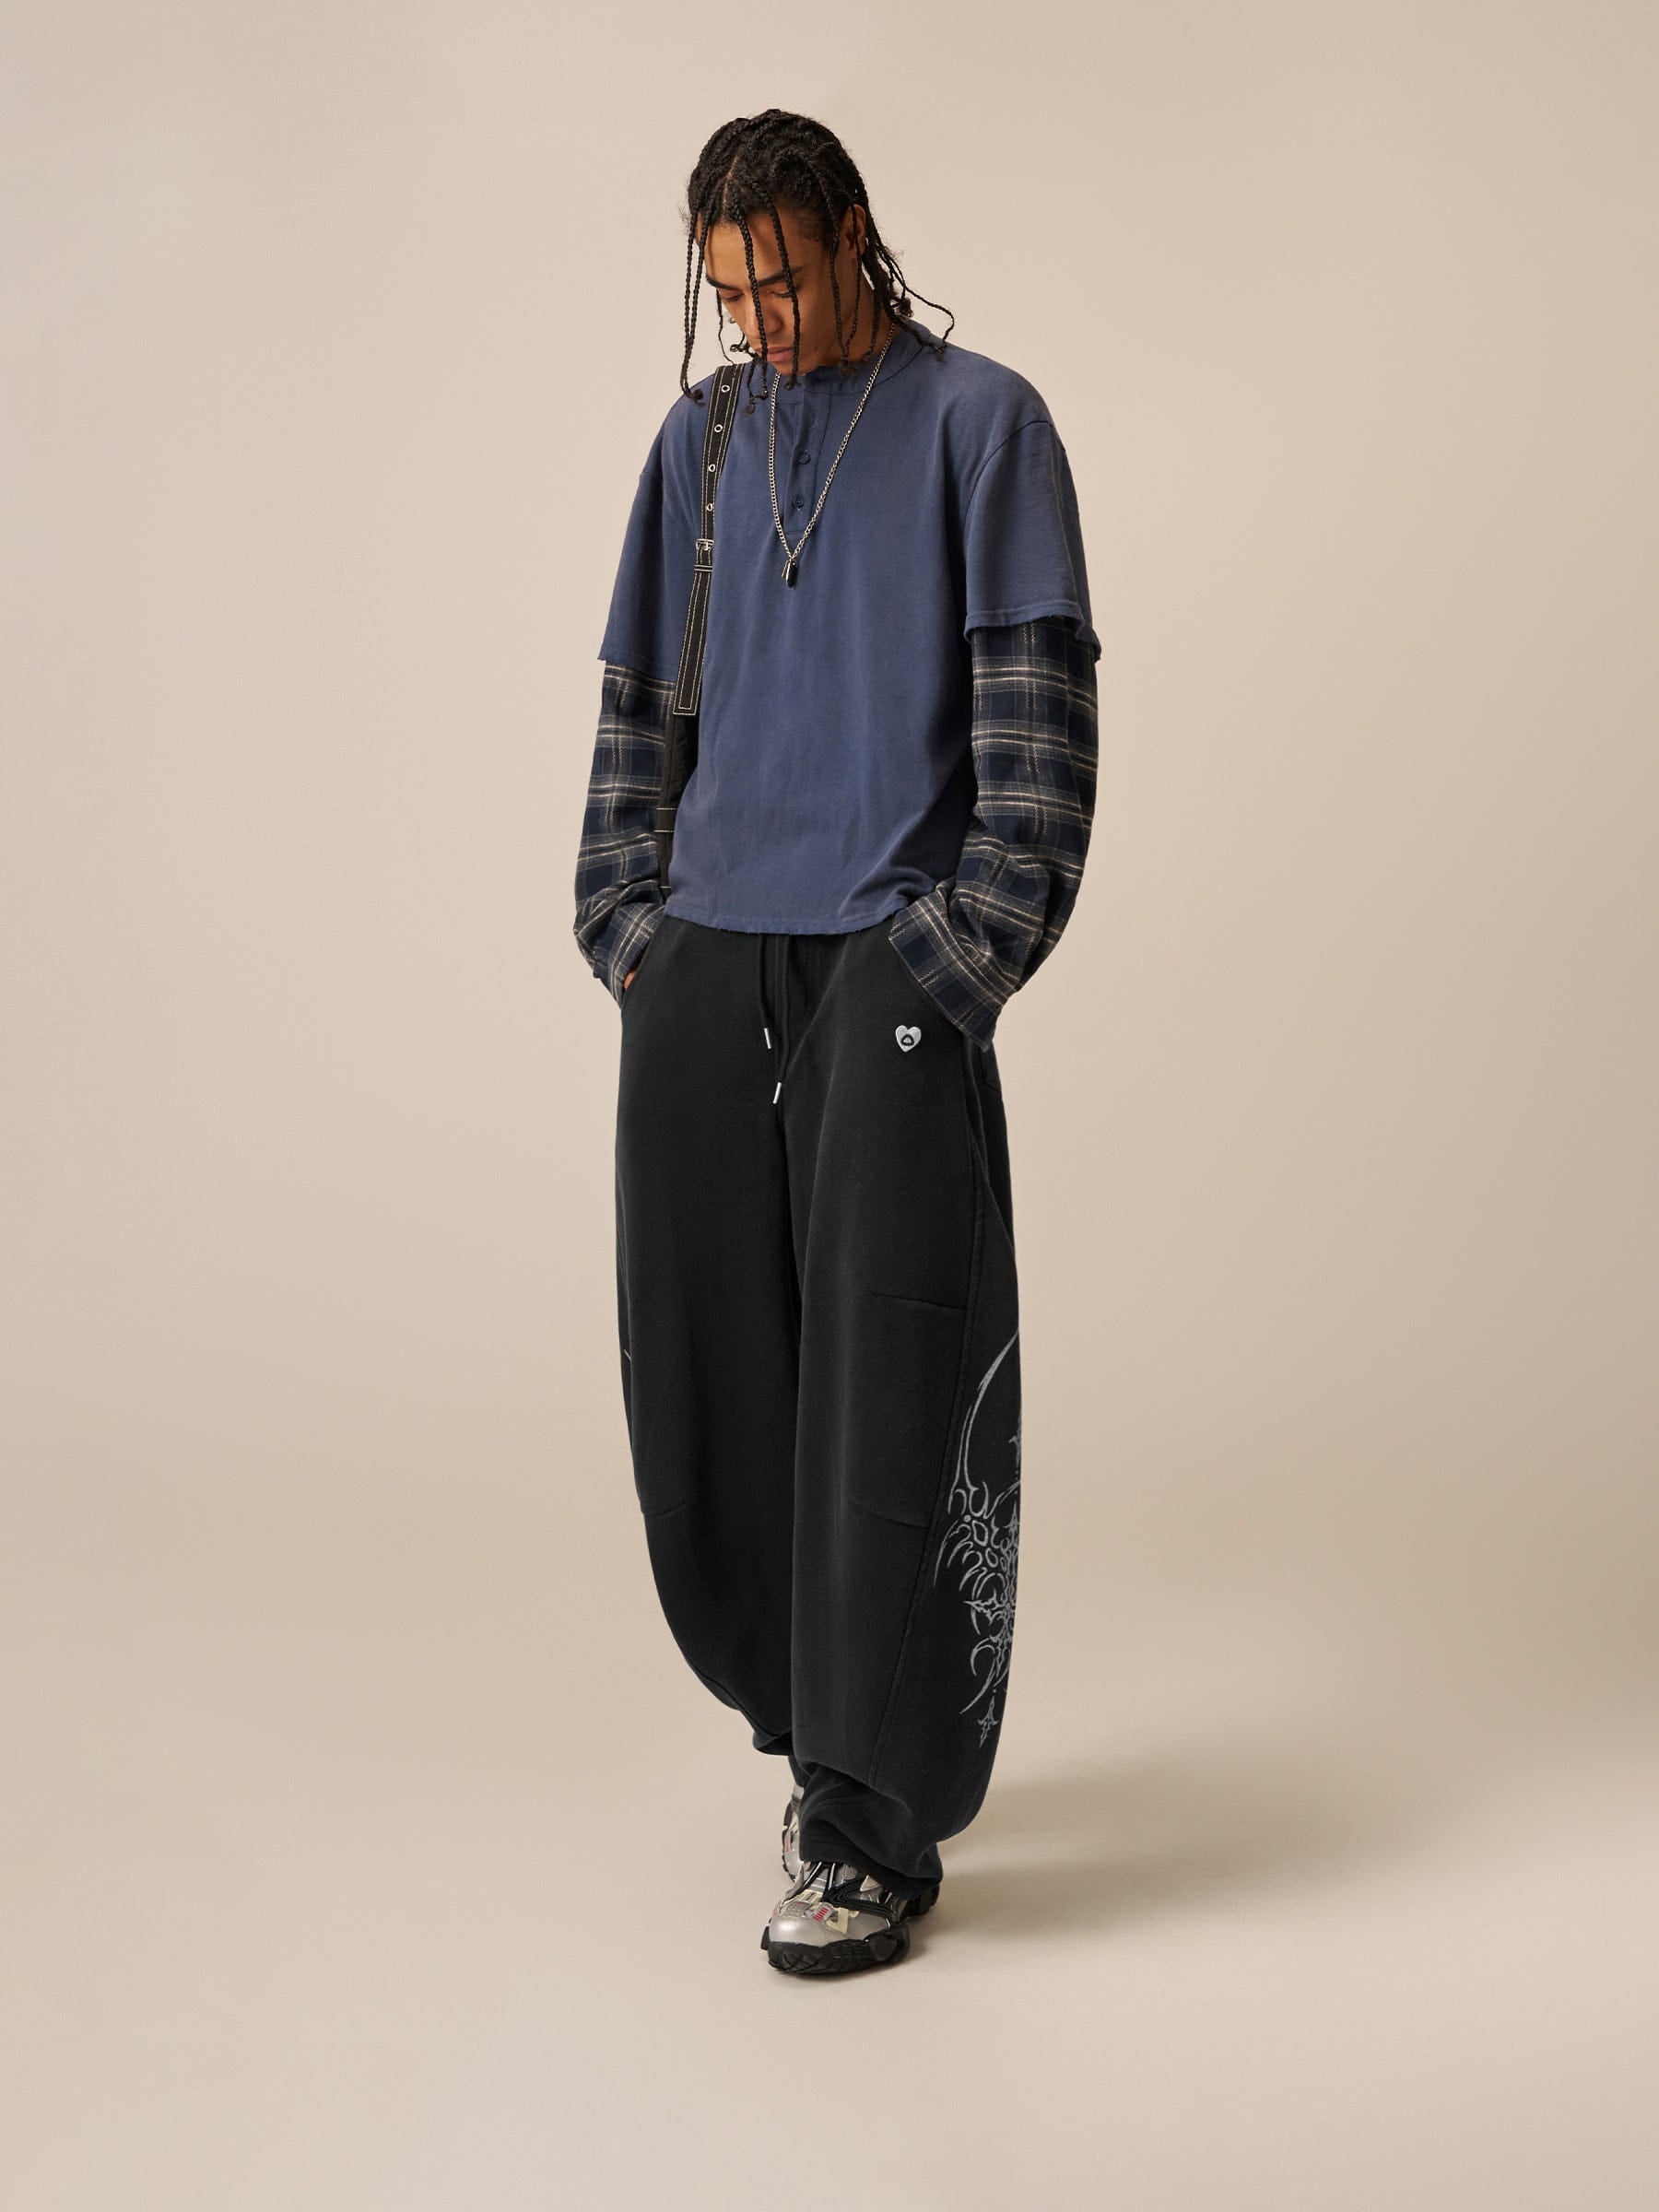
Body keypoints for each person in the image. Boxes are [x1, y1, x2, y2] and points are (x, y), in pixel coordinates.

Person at [572, 110, 1100, 1975]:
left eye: (783, 279)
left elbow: (1039, 740)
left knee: (889, 1387)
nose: (761, 321)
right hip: (708, 968)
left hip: (888, 970)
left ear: (854, 231)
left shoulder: (983, 425)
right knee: (712, 1386)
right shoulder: (703, 444)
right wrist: (631, 931)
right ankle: (810, 1748)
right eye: (730, 295)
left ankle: (877, 1828)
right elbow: (638, 707)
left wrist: (944, 967)